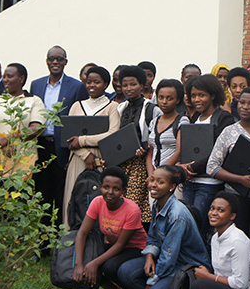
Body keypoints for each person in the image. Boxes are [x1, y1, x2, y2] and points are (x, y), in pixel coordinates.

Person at [117, 165, 210, 289]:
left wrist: (149, 286)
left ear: (172, 187)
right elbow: (153, 237)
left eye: (160, 182)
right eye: (152, 179)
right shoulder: (157, 204)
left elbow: (169, 257)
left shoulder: (177, 215)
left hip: (185, 266)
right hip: (166, 259)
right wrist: (149, 256)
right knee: (125, 272)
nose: (153, 185)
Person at [207, 87, 250, 252]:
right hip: (236, 197)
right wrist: (240, 179)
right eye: (242, 103)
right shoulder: (229, 132)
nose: (245, 107)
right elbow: (212, 167)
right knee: (237, 241)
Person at [73, 166, 148, 289]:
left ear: (124, 191)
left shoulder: (132, 210)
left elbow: (121, 244)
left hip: (136, 248)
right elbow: (82, 233)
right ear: (100, 186)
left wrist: (94, 263)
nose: (110, 192)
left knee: (108, 267)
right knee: (88, 260)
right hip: (114, 245)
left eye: (116, 188)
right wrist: (79, 264)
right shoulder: (97, 202)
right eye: (106, 187)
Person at [28, 46, 89, 223]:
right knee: (41, 194)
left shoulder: (76, 86)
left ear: (66, 62)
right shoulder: (36, 84)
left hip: (63, 147)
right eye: (52, 58)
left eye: (60, 59)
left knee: (62, 196)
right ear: (46, 61)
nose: (55, 62)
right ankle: (42, 241)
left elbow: (80, 117)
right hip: (40, 146)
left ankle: (60, 240)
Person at [62, 65, 120, 225]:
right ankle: (71, 242)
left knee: (99, 200)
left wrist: (82, 140)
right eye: (88, 82)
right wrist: (85, 154)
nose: (92, 85)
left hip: (100, 159)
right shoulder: (76, 105)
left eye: (97, 82)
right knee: (74, 199)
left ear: (106, 84)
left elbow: (112, 134)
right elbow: (68, 137)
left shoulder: (112, 106)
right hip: (78, 158)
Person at [189, 191, 250, 289]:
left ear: (232, 216)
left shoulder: (237, 241)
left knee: (200, 286)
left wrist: (210, 277)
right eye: (212, 208)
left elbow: (241, 283)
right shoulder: (215, 238)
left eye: (221, 210)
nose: (213, 213)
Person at [180, 74, 233, 217]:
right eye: (193, 95)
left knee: (200, 224)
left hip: (209, 183)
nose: (196, 100)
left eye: (201, 95)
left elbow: (220, 152)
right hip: (190, 181)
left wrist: (191, 167)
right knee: (189, 224)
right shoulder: (195, 118)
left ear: (213, 95)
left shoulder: (223, 118)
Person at [0, 63, 46, 175]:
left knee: (19, 191)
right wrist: (0, 141)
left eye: (9, 76)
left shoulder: (34, 101)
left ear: (21, 79)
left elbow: (37, 128)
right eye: (4, 77)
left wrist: (12, 139)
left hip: (23, 160)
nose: (5, 80)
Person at [116, 65, 161, 223]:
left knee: (137, 207)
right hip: (122, 162)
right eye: (125, 85)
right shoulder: (121, 108)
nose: (128, 88)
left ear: (142, 85)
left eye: (133, 84)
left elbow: (157, 136)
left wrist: (145, 146)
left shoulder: (152, 109)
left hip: (141, 164)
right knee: (119, 204)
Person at [141, 79, 189, 176]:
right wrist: (151, 175)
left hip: (172, 174)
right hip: (155, 174)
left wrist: (161, 173)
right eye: (161, 97)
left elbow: (179, 151)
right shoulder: (154, 122)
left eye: (169, 98)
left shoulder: (182, 121)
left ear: (178, 100)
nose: (164, 102)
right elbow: (151, 151)